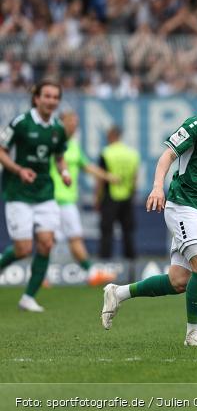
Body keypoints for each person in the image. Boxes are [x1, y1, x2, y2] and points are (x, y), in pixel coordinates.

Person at [100, 68, 197, 347]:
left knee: (178, 281)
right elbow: (168, 155)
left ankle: (118, 292)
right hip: (183, 204)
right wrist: (158, 186)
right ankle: (193, 334)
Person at [0, 79, 72, 312]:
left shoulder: (58, 129)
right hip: (18, 192)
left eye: (55, 97)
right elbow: (1, 150)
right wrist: (19, 170)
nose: (51, 101)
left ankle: (28, 297)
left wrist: (64, 173)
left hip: (44, 192)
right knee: (22, 249)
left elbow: (59, 157)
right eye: (47, 96)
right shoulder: (21, 123)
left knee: (46, 243)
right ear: (37, 98)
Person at [49, 110, 119, 286]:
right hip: (51, 199)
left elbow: (88, 166)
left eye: (76, 121)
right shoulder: (51, 141)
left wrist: (107, 177)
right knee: (53, 239)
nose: (74, 124)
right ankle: (89, 273)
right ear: (61, 123)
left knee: (69, 238)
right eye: (70, 121)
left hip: (67, 200)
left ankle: (89, 273)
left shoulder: (72, 145)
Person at [96, 125, 141, 264]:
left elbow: (101, 179)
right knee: (128, 231)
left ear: (111, 136)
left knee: (107, 231)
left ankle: (105, 262)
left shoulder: (106, 153)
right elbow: (135, 178)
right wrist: (132, 194)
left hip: (110, 196)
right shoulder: (132, 154)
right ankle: (131, 264)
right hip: (127, 196)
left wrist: (97, 198)